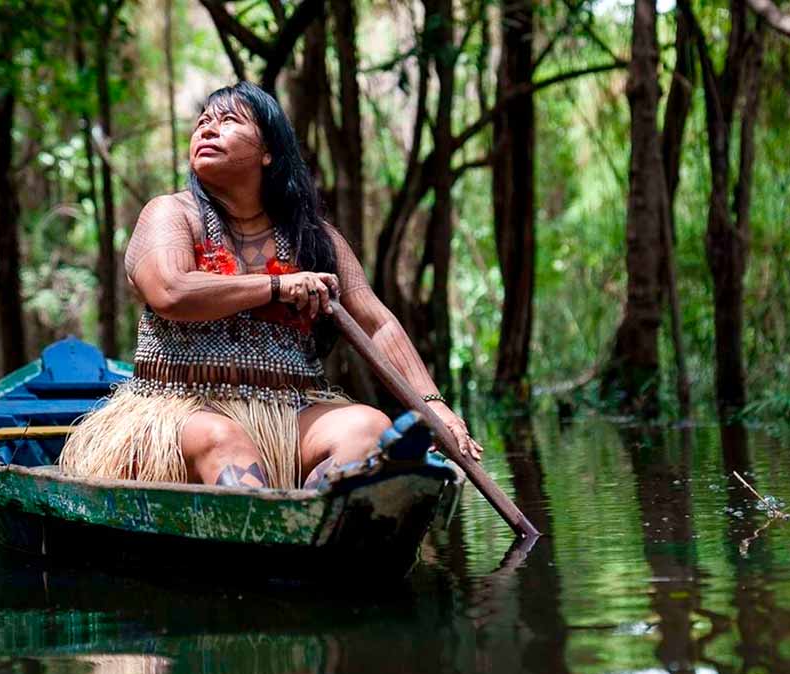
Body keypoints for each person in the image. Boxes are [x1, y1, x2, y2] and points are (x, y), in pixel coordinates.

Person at [60, 81, 481, 489]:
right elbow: (171, 292)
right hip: (182, 411)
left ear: (267, 153)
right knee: (222, 440)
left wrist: (434, 406)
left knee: (369, 428)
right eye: (202, 122)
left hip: (290, 414)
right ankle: (274, 528)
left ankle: (315, 518)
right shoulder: (170, 215)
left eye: (228, 121)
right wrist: (276, 287)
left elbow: (376, 324)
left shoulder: (314, 240)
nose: (207, 128)